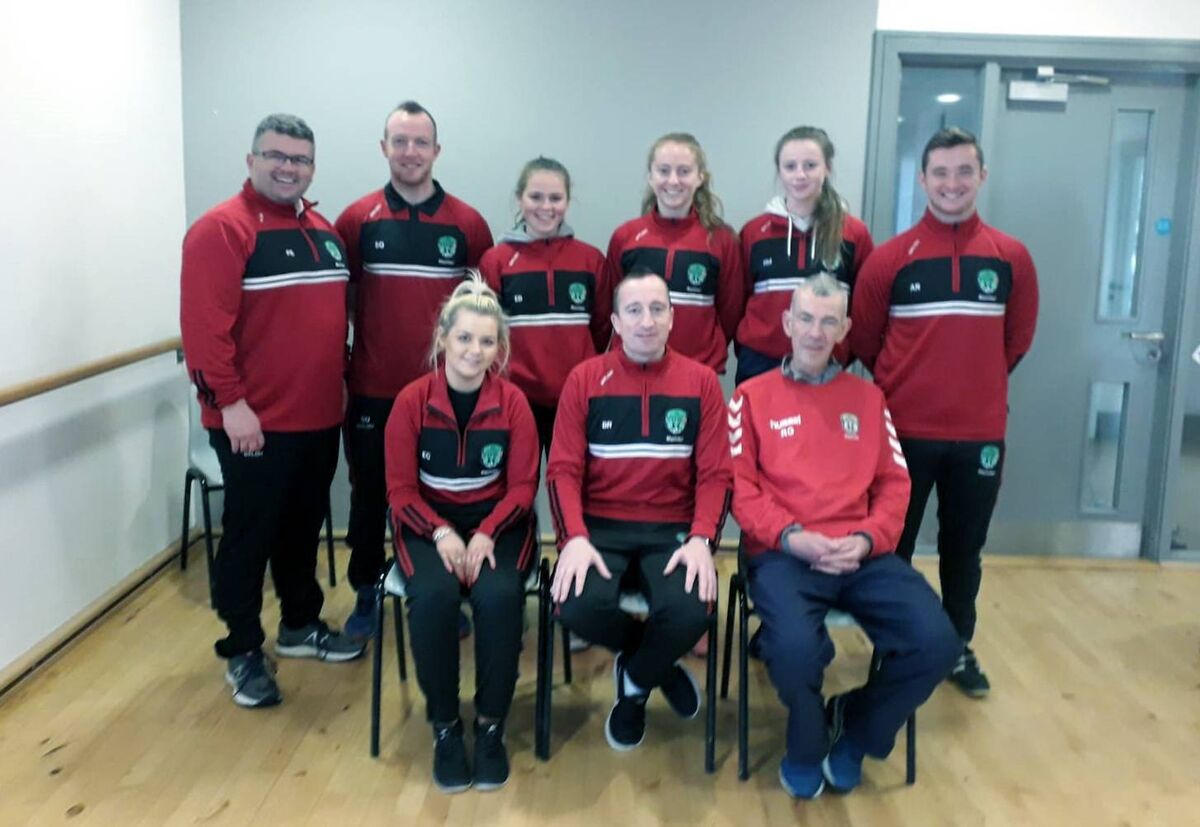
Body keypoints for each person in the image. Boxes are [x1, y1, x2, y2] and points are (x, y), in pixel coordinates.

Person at [730, 273, 960, 799]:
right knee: (793, 651)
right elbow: (740, 489)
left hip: (862, 555)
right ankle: (806, 743)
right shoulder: (750, 397)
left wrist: (867, 539)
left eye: (828, 321)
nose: (815, 332)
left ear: (844, 329)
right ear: (788, 323)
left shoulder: (868, 398)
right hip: (784, 555)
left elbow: (895, 484)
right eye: (806, 319)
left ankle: (856, 730)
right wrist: (791, 536)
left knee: (938, 642)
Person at [180, 113, 364, 709]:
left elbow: (333, 321)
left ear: (312, 167)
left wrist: (340, 380)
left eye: (300, 159)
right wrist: (230, 404)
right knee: (248, 535)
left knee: (302, 528)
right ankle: (241, 648)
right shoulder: (221, 229)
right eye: (277, 156)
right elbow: (204, 331)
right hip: (252, 423)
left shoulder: (324, 231)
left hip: (318, 417)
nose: (288, 167)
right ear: (251, 160)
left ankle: (300, 624)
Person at [849, 127, 1039, 698]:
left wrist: (972, 383)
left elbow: (1016, 342)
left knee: (963, 551)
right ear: (922, 179)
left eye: (963, 172)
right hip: (902, 433)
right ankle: (895, 649)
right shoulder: (890, 259)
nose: (952, 184)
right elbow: (865, 340)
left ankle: (956, 648)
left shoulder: (1011, 257)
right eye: (940, 173)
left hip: (979, 436)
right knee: (893, 551)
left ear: (981, 176)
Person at [547, 268, 732, 751]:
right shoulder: (584, 379)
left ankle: (632, 688)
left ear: (672, 317)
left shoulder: (701, 382)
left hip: (673, 530)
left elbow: (716, 474)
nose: (646, 321)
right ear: (615, 321)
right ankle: (656, 665)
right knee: (573, 605)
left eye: (656, 309)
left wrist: (702, 539)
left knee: (692, 613)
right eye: (634, 310)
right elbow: (562, 470)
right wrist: (574, 539)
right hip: (599, 528)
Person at [335, 101, 493, 642]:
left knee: (440, 498)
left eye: (420, 142)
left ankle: (442, 593)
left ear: (436, 150)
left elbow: (480, 312)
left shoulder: (468, 224)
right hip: (374, 390)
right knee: (370, 494)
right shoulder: (356, 220)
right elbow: (344, 301)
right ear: (384, 148)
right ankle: (366, 591)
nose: (409, 152)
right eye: (399, 141)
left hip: (446, 394)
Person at [384, 279, 539, 793]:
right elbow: (400, 490)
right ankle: (446, 727)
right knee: (433, 596)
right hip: (428, 523)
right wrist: (442, 532)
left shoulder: (513, 403)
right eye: (465, 338)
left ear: (500, 348)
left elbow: (523, 488)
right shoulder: (411, 401)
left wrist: (487, 532)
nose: (475, 351)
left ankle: (491, 726)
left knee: (498, 597)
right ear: (443, 339)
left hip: (500, 524)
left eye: (487, 341)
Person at [478, 157, 610, 454]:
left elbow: (602, 328)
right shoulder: (496, 261)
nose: (546, 207)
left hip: (577, 397)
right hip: (515, 397)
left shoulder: (590, 260)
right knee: (518, 479)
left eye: (555, 198)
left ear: (568, 201)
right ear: (519, 199)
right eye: (535, 197)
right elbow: (486, 333)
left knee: (573, 478)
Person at [735, 126, 874, 384]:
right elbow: (734, 305)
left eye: (810, 165)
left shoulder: (853, 233)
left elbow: (864, 311)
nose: (800, 175)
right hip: (759, 365)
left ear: (827, 168)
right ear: (779, 171)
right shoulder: (754, 232)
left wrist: (843, 353)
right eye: (790, 166)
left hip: (826, 364)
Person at [605, 132, 745, 375]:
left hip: (699, 369)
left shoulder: (721, 240)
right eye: (663, 171)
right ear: (650, 177)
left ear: (700, 177)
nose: (673, 180)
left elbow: (730, 312)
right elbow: (613, 304)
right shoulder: (625, 237)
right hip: (632, 368)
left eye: (684, 171)